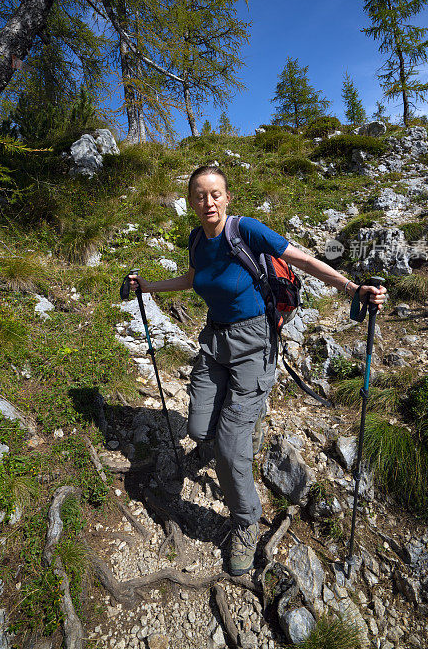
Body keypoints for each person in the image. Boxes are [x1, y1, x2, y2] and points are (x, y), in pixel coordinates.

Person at [129, 165, 387, 576]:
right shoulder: (197, 239)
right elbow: (193, 278)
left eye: (215, 194)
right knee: (198, 429)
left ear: (227, 197)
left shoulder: (245, 230)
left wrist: (352, 288)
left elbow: (301, 260)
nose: (208, 201)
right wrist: (149, 288)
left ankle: (245, 523)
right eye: (199, 195)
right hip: (215, 341)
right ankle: (239, 434)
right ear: (191, 202)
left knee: (230, 447)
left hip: (254, 343)